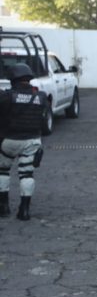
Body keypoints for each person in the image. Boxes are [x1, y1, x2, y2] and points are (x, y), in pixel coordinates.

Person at [0, 64, 48, 220]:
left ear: (13, 79)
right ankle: (24, 210)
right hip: (31, 141)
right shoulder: (41, 96)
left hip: (8, 140)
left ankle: (3, 207)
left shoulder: (6, 96)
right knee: (26, 174)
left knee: (3, 171)